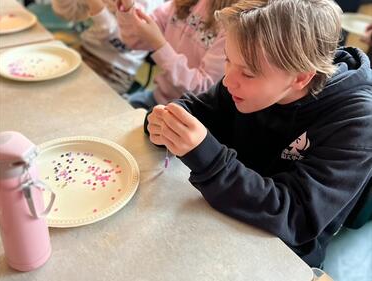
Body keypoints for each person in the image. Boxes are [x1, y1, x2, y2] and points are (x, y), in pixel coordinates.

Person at [145, 0, 372, 268]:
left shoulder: (358, 122)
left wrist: (208, 159)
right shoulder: (245, 76)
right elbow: (198, 108)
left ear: (301, 77)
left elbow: (295, 217)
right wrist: (168, 121)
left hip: (278, 254)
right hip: (218, 209)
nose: (229, 80)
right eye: (229, 60)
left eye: (248, 73)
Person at [115, 0, 240, 109]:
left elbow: (202, 90)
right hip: (156, 98)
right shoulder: (180, 3)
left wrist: (159, 44)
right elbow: (134, 40)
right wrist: (128, 8)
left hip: (187, 114)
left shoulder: (235, 23)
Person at [51, 0, 164, 94]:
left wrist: (95, 4)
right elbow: (70, 13)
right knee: (49, 88)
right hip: (85, 50)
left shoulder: (150, 3)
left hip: (115, 70)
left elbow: (122, 45)